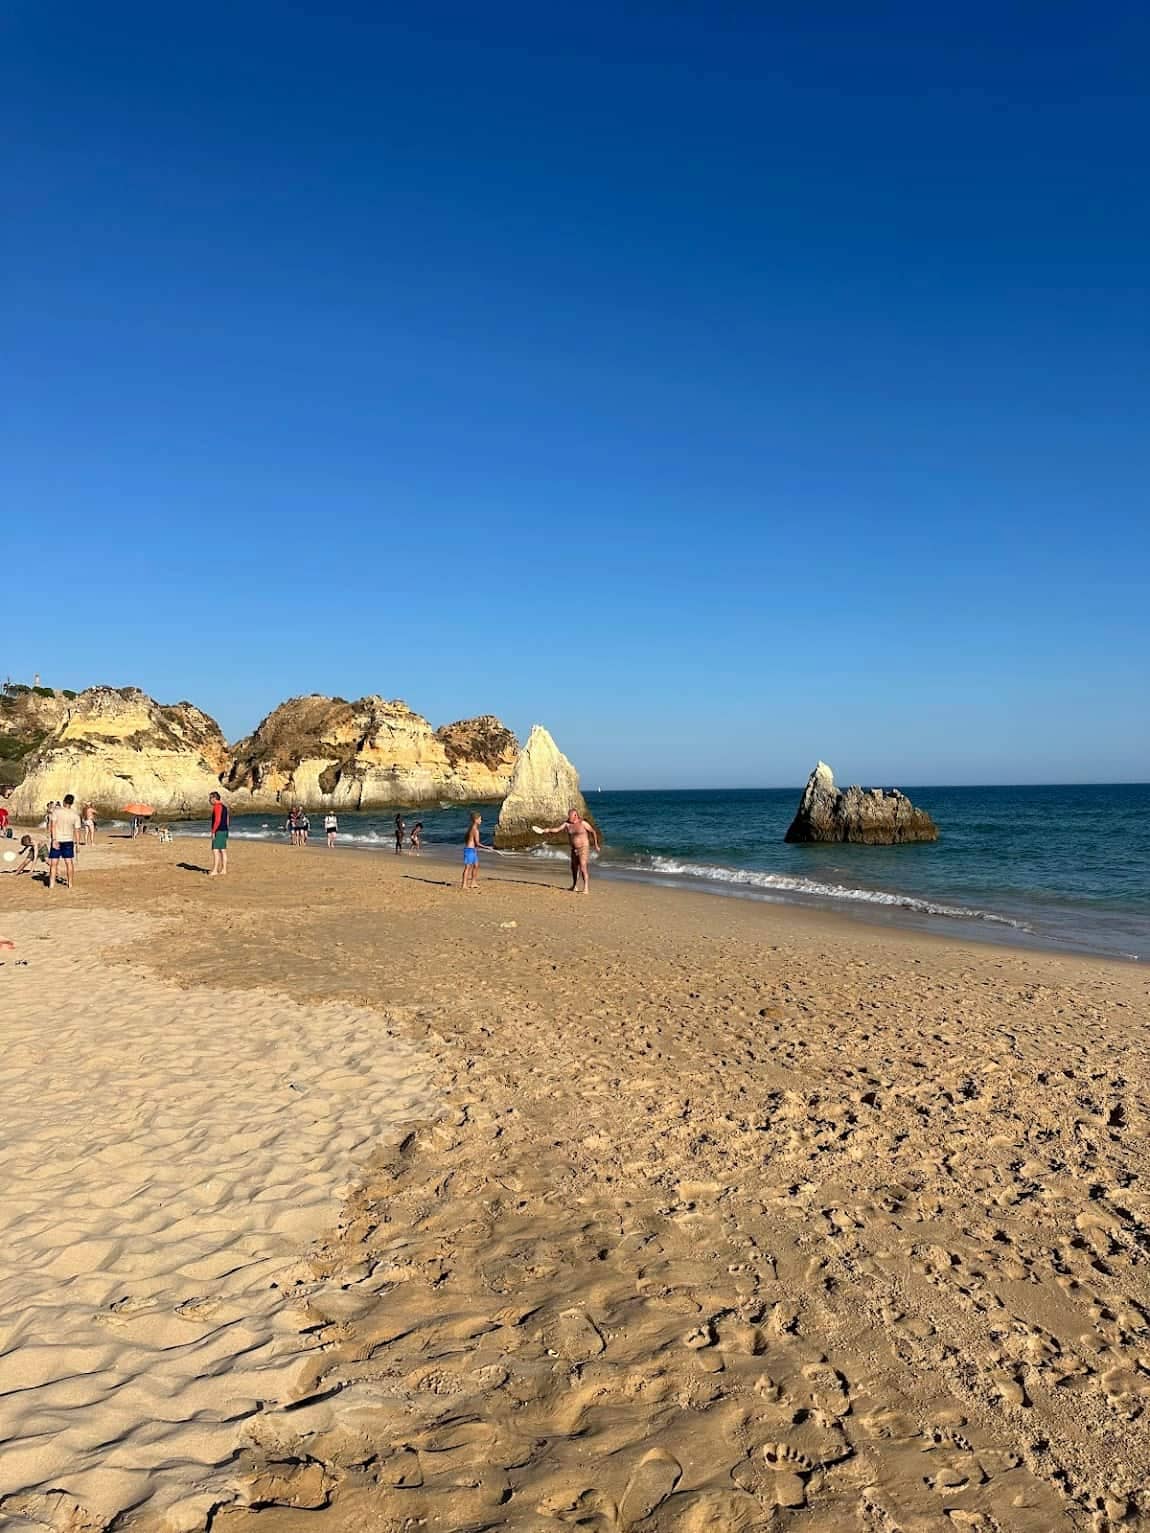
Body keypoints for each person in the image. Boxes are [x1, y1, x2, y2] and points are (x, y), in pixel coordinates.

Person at [536, 808, 601, 895]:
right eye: (568, 816)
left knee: (582, 867)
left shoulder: (582, 823)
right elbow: (557, 829)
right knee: (574, 868)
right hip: (574, 849)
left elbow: (593, 831)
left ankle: (586, 888)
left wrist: (596, 845)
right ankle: (574, 886)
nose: (569, 818)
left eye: (570, 817)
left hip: (583, 848)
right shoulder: (567, 824)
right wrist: (546, 830)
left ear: (575, 815)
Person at [48, 794, 82, 890]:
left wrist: (53, 839)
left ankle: (51, 884)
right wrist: (78, 844)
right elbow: (77, 831)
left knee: (54, 863)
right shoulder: (75, 815)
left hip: (57, 839)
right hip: (68, 840)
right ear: (72, 803)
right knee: (69, 862)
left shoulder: (56, 812)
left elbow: (53, 826)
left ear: (64, 801)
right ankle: (70, 884)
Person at [461, 811, 494, 891]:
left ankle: (473, 882)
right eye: (480, 819)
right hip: (470, 850)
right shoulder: (475, 830)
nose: (481, 821)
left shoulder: (472, 828)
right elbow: (477, 843)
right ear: (476, 820)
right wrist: (487, 847)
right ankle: (464, 884)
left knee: (476, 865)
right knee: (468, 867)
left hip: (472, 850)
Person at [208, 791, 229, 876]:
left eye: (210, 798)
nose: (209, 800)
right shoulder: (224, 807)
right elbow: (227, 820)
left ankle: (215, 870)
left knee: (215, 850)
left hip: (219, 831)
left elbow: (217, 820)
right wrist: (227, 830)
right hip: (224, 830)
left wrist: (213, 831)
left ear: (214, 798)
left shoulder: (217, 807)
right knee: (223, 850)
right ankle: (224, 870)